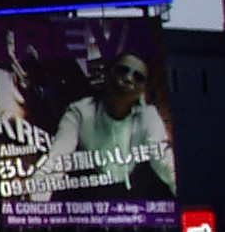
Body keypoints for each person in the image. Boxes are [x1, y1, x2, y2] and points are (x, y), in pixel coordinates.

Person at [30, 51, 175, 201]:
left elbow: (164, 160)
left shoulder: (148, 115)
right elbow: (58, 158)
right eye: (122, 70)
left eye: (138, 77)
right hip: (88, 190)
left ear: (142, 88)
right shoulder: (80, 111)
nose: (128, 79)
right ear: (108, 73)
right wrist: (36, 200)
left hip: (135, 190)